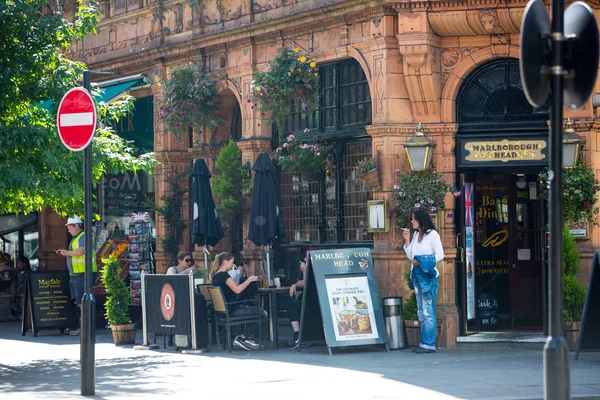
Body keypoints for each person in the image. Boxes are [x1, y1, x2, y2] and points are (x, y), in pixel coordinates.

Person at [402, 209, 444, 353]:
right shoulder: (415, 235)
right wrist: (407, 241)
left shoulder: (432, 234)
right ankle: (424, 343)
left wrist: (422, 261)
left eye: (414, 219)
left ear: (421, 220)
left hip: (428, 277)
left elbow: (440, 255)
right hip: (417, 276)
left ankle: (429, 344)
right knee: (422, 310)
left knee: (428, 310)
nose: (412, 221)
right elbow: (411, 257)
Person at [211, 252, 266, 351]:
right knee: (262, 313)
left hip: (225, 310)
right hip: (232, 310)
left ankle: (245, 338)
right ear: (225, 261)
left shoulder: (216, 276)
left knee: (250, 308)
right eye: (231, 262)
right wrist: (249, 280)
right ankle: (243, 338)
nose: (233, 265)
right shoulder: (224, 276)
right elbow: (237, 290)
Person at [56, 216, 98, 336]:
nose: (69, 231)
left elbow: (80, 251)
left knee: (83, 302)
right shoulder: (77, 238)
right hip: (77, 274)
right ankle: (84, 328)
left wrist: (65, 253)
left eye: (70, 228)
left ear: (77, 226)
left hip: (83, 273)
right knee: (80, 302)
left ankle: (85, 329)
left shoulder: (83, 236)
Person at [166, 250, 209, 349]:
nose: (189, 263)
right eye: (187, 260)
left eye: (191, 261)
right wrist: (186, 272)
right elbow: (172, 279)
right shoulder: (173, 269)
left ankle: (199, 338)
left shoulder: (190, 272)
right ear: (180, 261)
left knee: (200, 300)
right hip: (175, 302)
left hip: (187, 299)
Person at [287, 259, 307, 349]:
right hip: (305, 301)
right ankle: (298, 336)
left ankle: (297, 336)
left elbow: (307, 283)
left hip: (313, 303)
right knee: (292, 304)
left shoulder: (317, 269)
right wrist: (294, 285)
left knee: (290, 305)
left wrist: (304, 271)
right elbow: (302, 282)